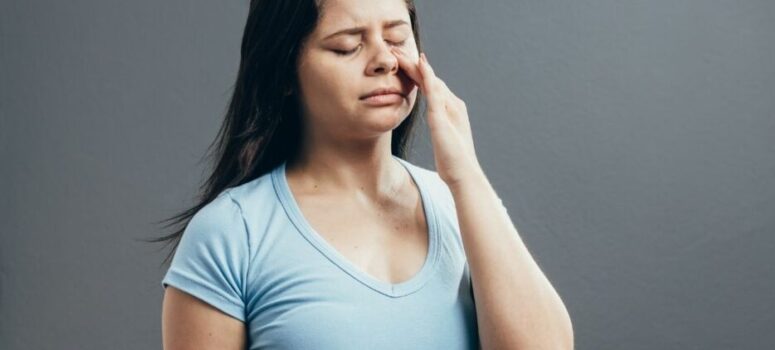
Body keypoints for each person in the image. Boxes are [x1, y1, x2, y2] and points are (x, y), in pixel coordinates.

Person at [153, 0, 574, 349]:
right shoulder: (231, 234)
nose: (384, 61)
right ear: (283, 72)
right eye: (347, 46)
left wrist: (465, 175)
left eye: (396, 37)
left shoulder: (460, 206)